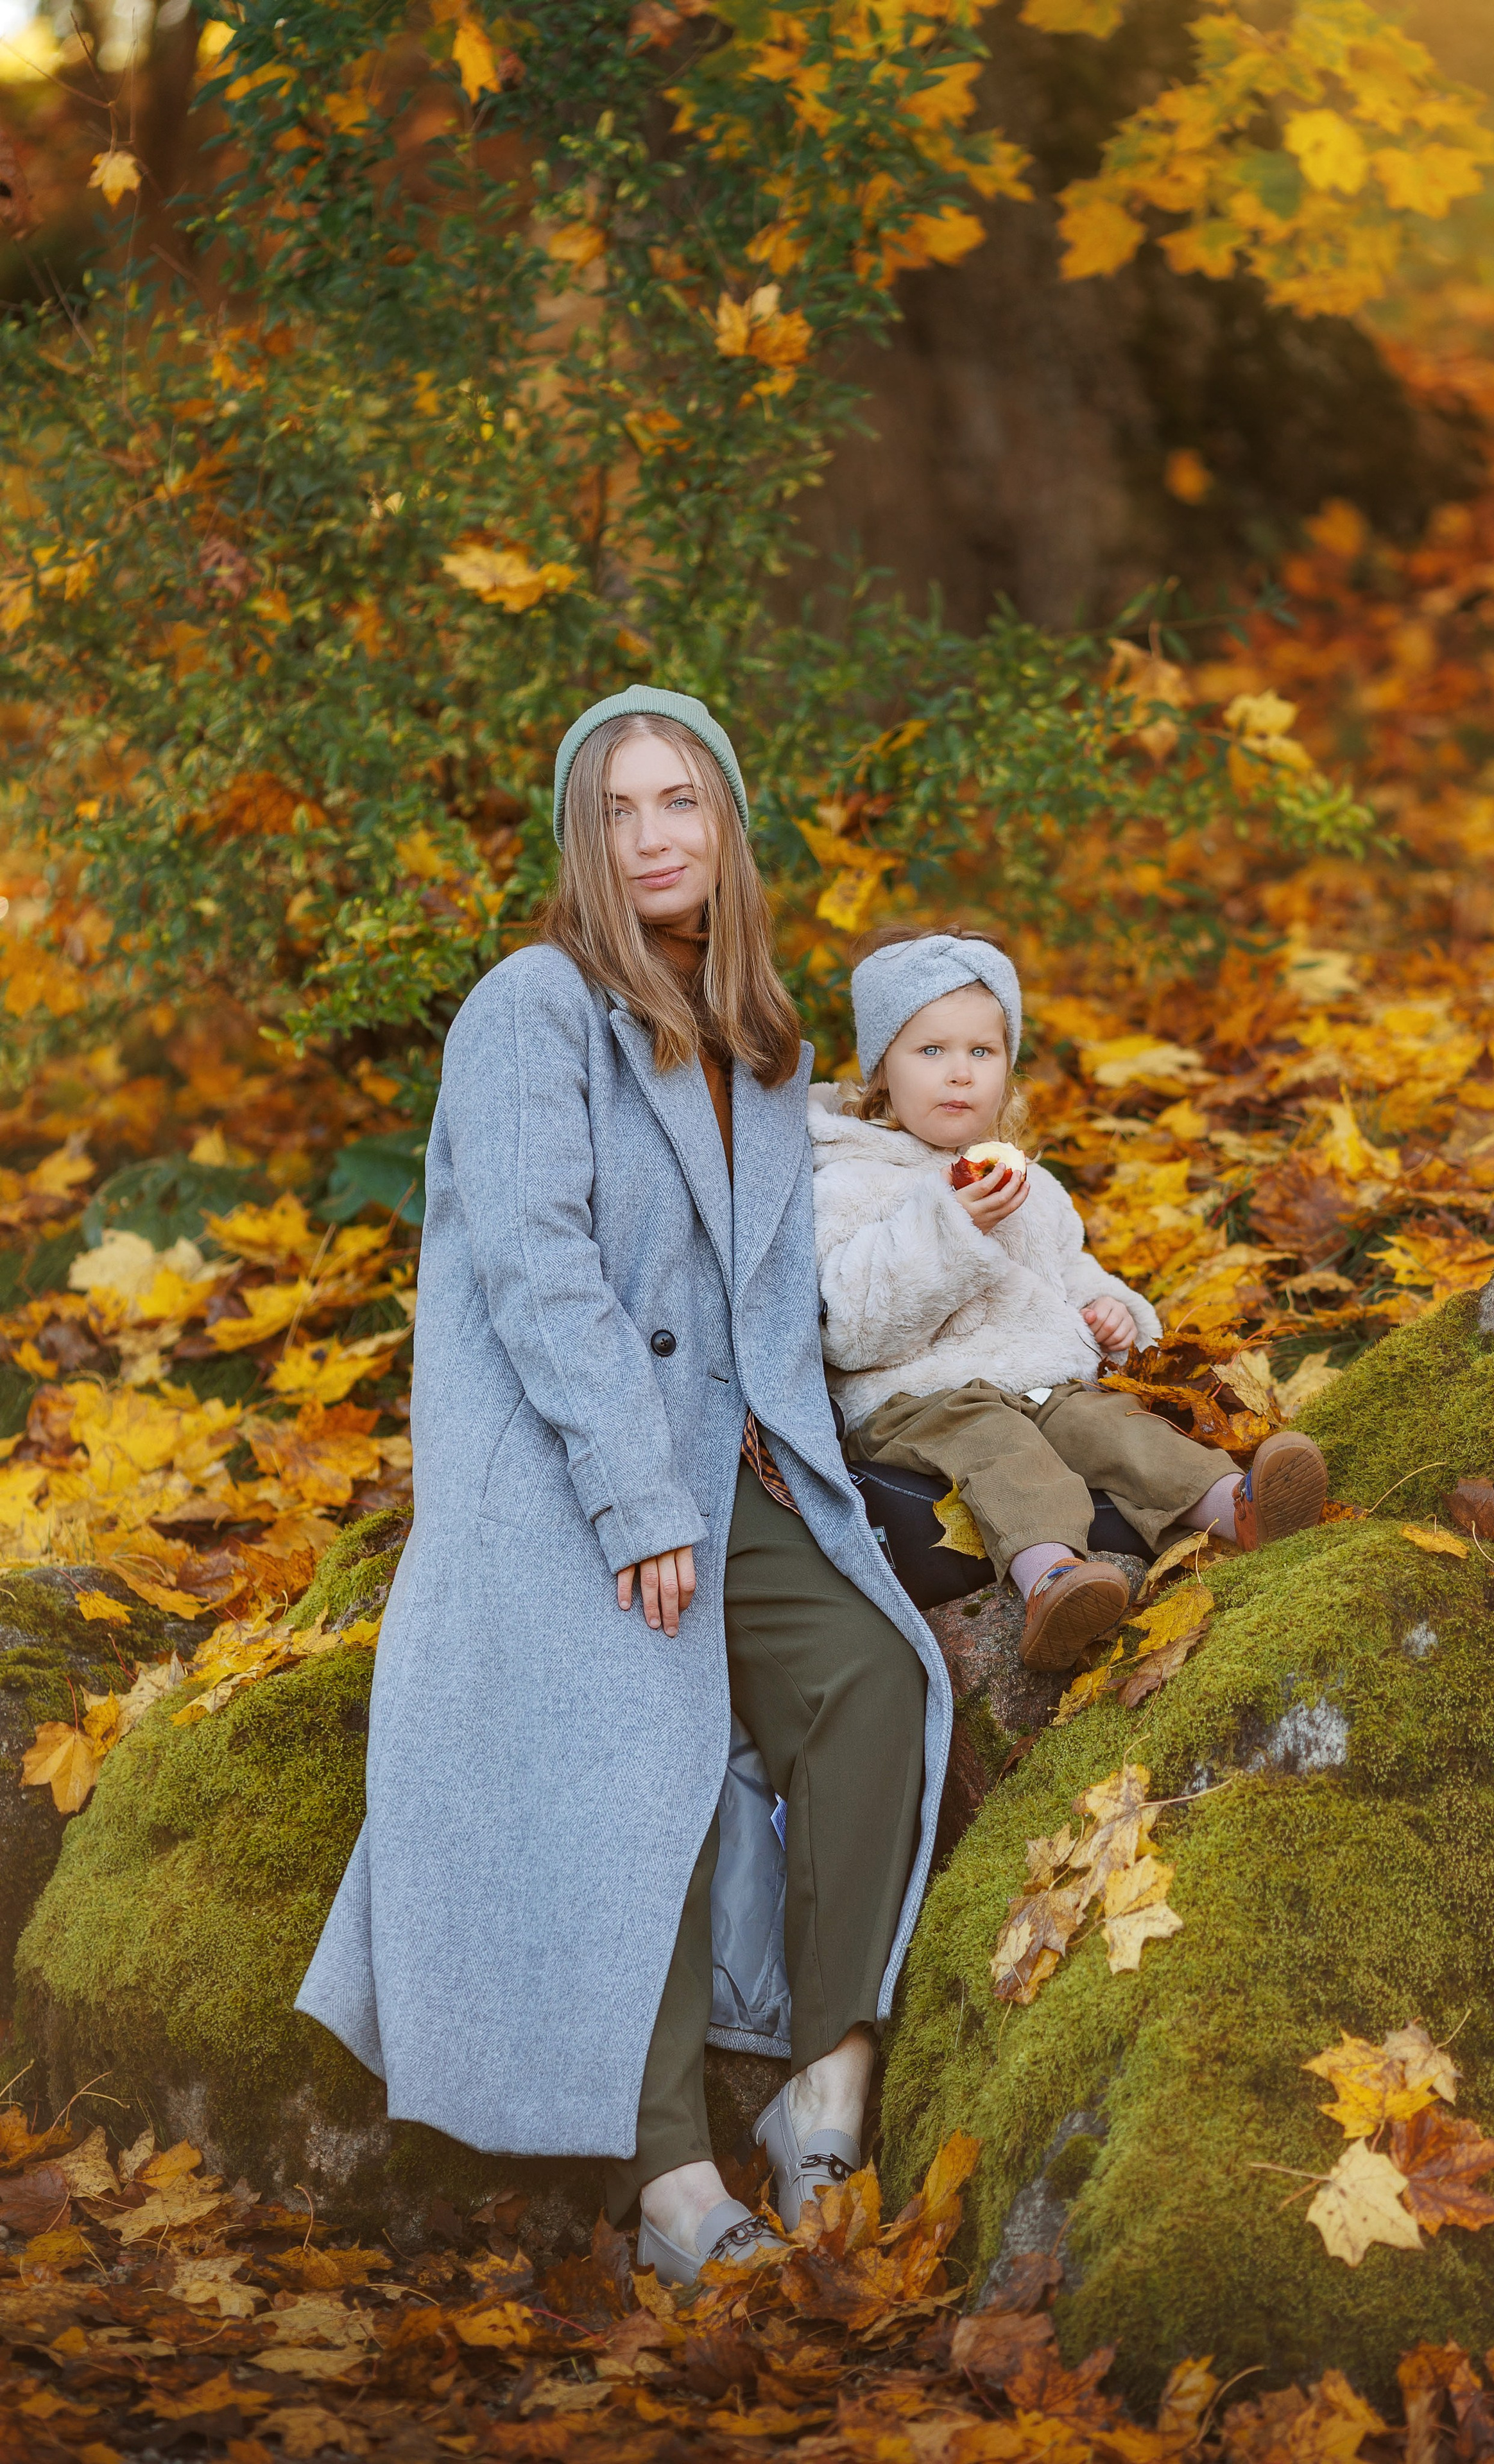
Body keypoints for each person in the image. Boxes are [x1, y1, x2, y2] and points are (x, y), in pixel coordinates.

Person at [296, 688, 950, 2288]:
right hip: (564, 1489)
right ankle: (664, 2167)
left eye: (682, 804)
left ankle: (823, 2069)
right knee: (632, 1731)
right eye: (619, 811)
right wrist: (636, 1494)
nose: (654, 837)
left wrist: (804, 1460)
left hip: (727, 1477)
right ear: (582, 841)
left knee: (875, 1672)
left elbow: (771, 1303)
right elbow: (537, 1266)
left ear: (728, 825)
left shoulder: (765, 1038)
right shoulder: (533, 1006)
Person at [809, 927, 1329, 1673]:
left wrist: (1113, 1318)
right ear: (881, 1069)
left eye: (980, 1054)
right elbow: (849, 1324)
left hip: (1040, 1379)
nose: (958, 1075)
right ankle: (1052, 1578)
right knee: (1004, 1450)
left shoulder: (1023, 1181)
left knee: (1112, 1423)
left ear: (1007, 1070)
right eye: (930, 1052)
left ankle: (1235, 1506)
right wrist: (950, 1230)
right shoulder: (850, 1178)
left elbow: (1068, 1270)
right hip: (920, 1397)